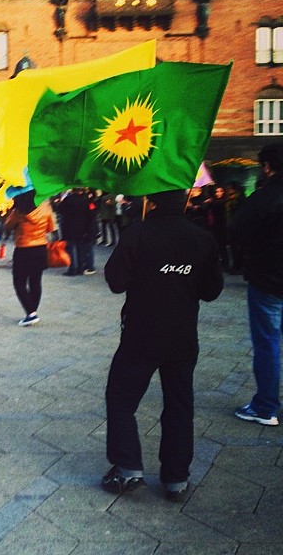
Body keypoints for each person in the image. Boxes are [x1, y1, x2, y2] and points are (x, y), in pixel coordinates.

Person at [102, 190, 223, 501]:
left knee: (121, 397)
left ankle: (128, 467)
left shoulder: (137, 233)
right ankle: (176, 478)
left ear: (151, 202)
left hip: (141, 333)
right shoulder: (202, 238)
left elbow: (115, 281)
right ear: (184, 202)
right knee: (180, 405)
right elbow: (212, 290)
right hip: (182, 334)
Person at [230, 143, 283, 426]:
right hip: (270, 279)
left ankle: (266, 406)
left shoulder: (264, 198)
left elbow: (235, 232)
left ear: (267, 167)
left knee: (268, 343)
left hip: (269, 282)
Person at [4, 190, 55, 326]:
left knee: (19, 282)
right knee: (35, 281)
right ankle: (32, 311)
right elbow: (50, 227)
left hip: (23, 248)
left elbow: (8, 226)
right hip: (40, 248)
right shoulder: (46, 207)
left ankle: (31, 313)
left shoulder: (19, 210)